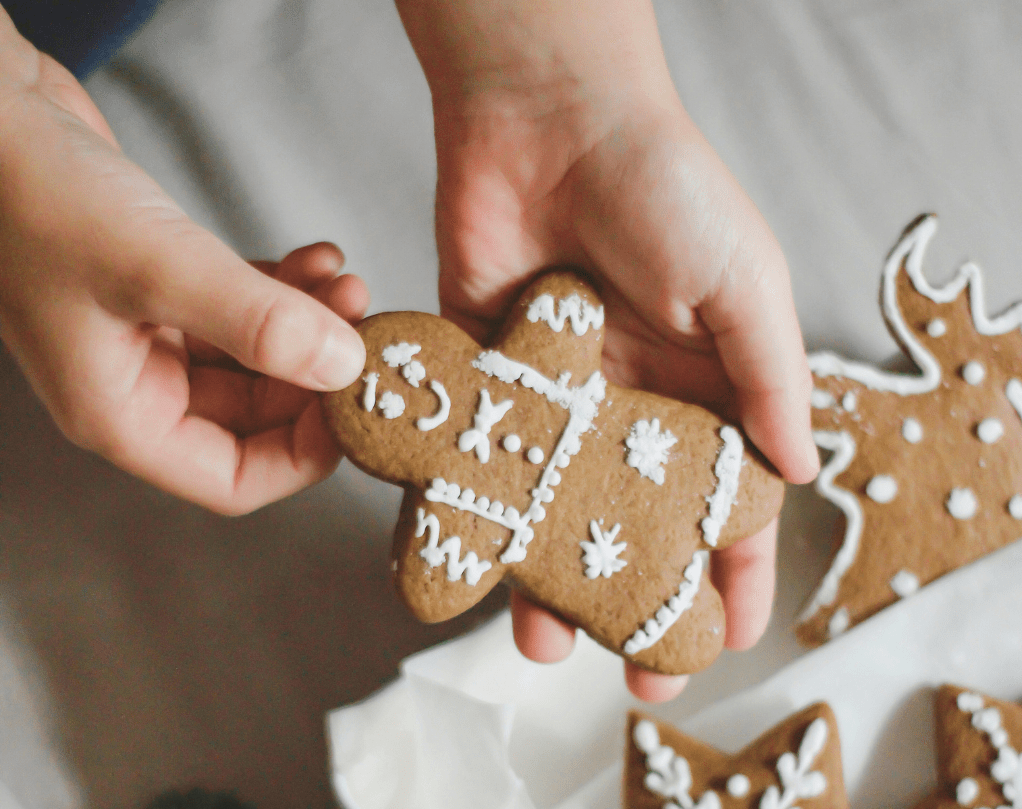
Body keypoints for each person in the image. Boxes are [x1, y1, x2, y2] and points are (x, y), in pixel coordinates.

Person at [0, 0, 817, 702]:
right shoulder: (482, 468)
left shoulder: (542, 363)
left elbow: (564, 316)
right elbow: (441, 573)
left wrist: (565, 85)